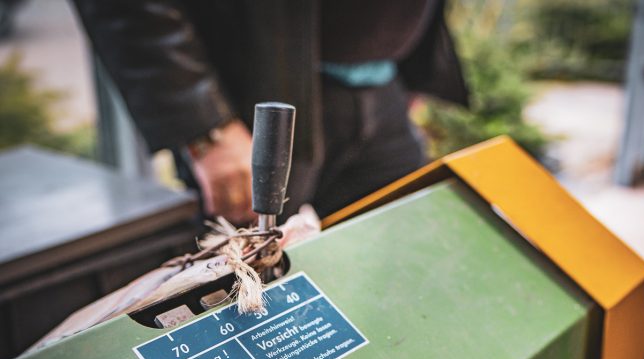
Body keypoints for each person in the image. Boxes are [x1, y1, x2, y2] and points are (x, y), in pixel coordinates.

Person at [71, 0, 468, 223]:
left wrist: (413, 66)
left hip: (387, 91)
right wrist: (206, 126)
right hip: (249, 105)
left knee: (387, 277)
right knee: (257, 296)